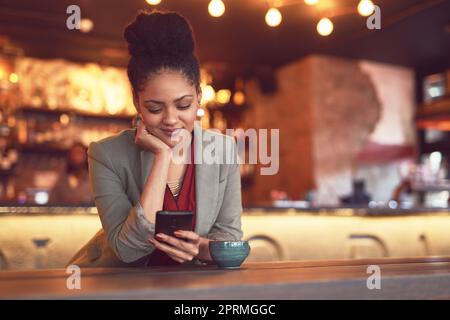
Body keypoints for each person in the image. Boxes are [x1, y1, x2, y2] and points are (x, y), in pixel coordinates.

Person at [67, 10, 243, 267]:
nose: (171, 119)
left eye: (183, 105)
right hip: (116, 284)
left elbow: (229, 237)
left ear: (199, 95)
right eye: (155, 108)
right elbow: (127, 249)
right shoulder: (106, 155)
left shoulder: (223, 150)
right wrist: (162, 157)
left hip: (188, 289)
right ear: (137, 101)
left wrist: (199, 248)